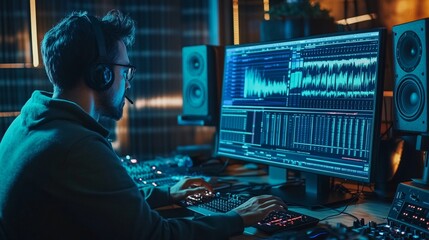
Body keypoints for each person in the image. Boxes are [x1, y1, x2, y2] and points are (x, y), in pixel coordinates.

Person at [0, 9, 286, 240]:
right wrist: (238, 218)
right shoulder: (75, 146)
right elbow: (155, 234)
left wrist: (165, 193)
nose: (127, 81)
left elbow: (101, 201)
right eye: (125, 70)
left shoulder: (31, 122)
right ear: (101, 75)